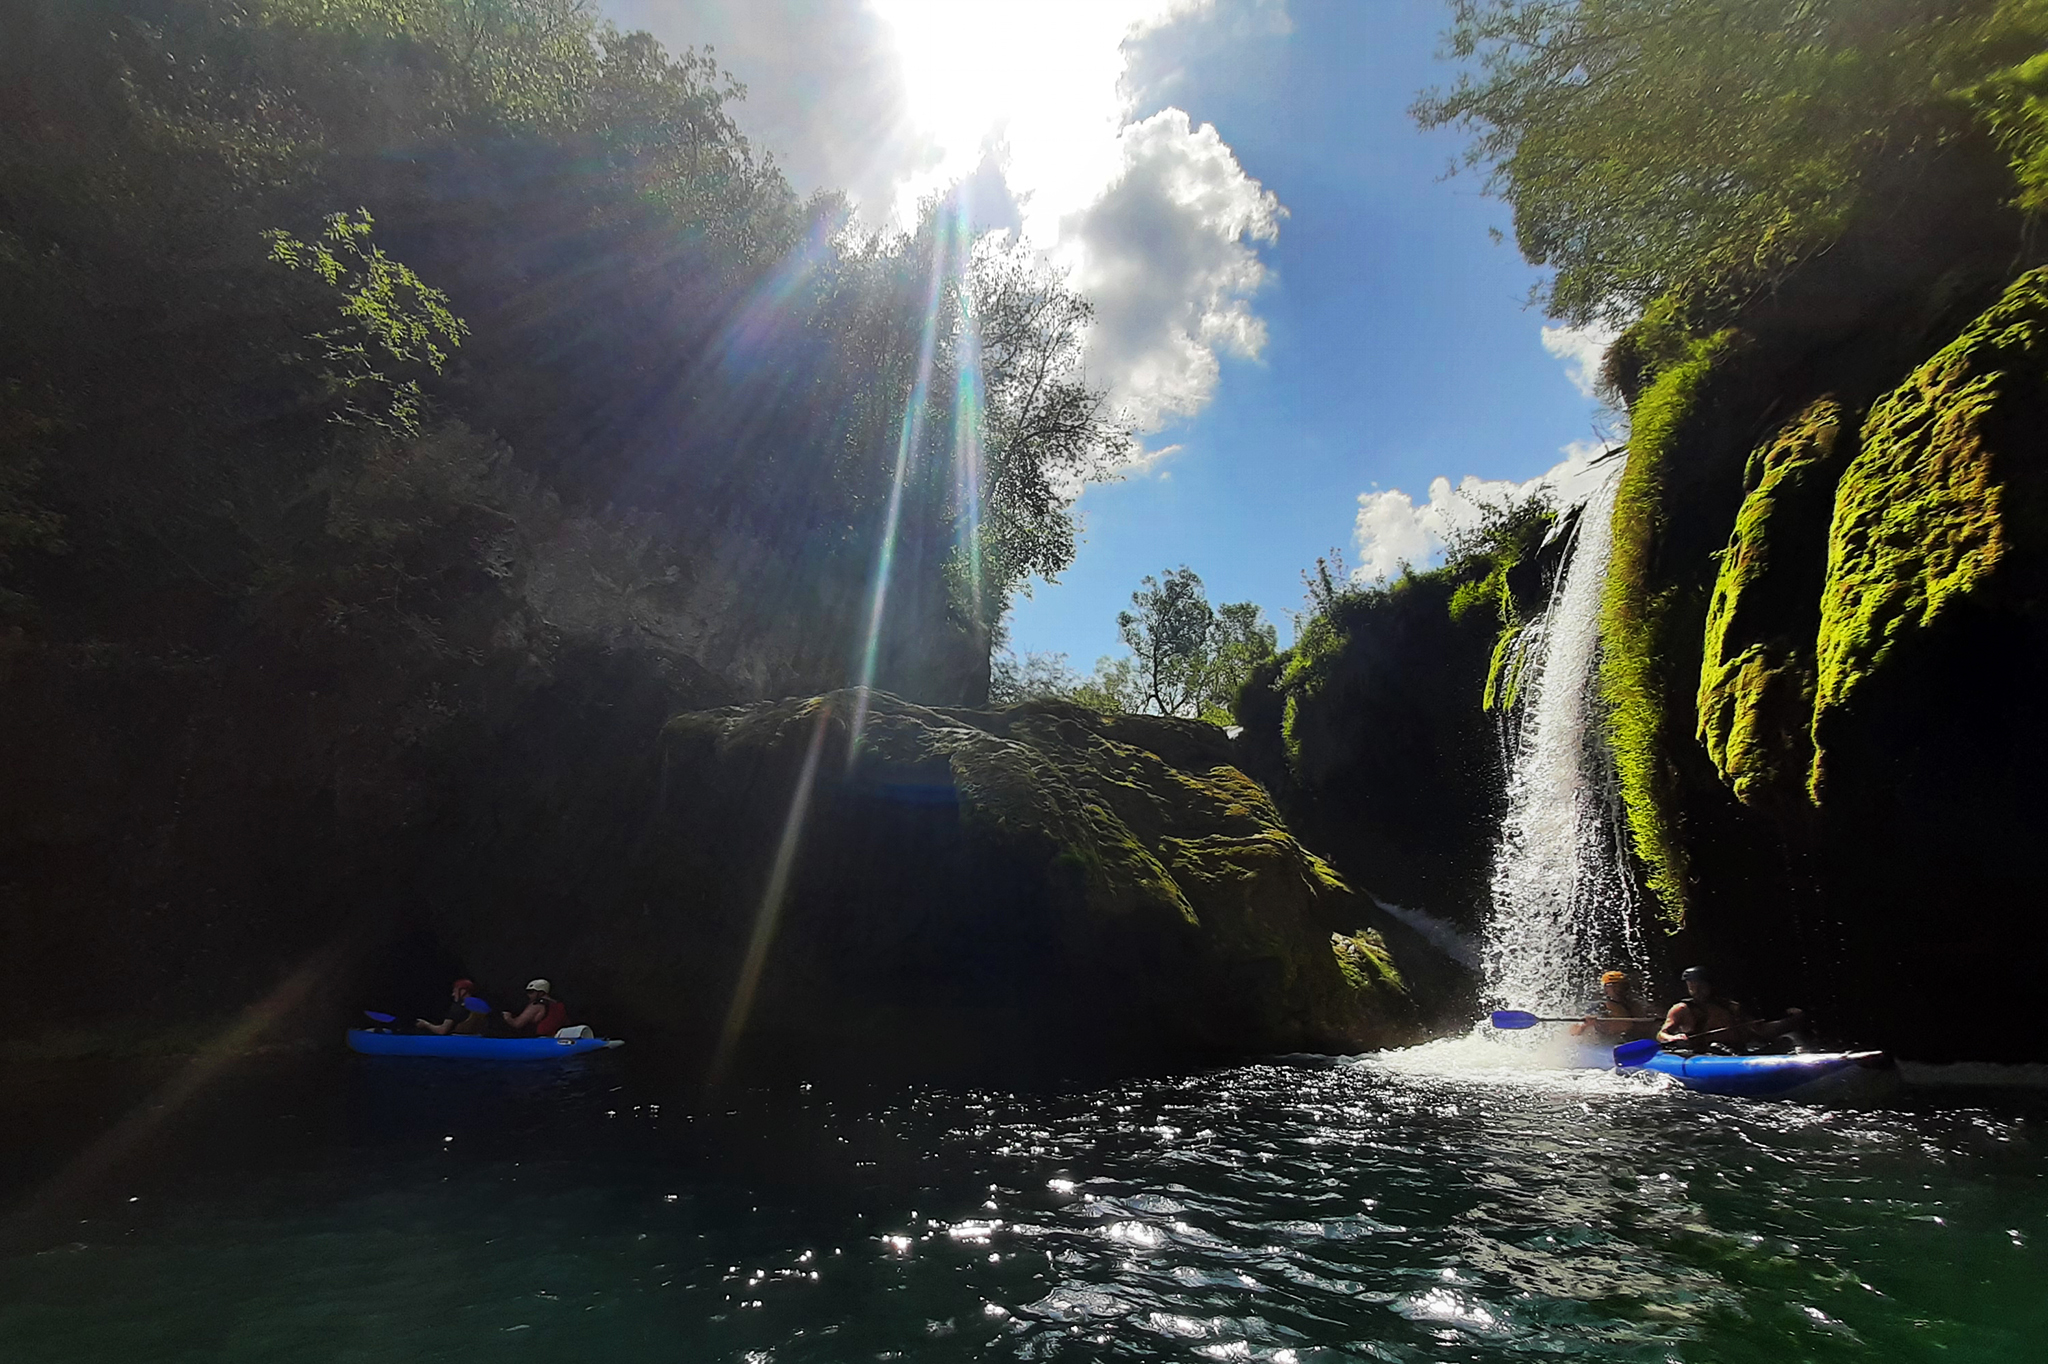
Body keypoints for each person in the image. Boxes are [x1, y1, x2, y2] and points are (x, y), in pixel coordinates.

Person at [1657, 966, 1805, 1053]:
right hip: (1708, 1054)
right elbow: (1662, 1034)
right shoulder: (1682, 1009)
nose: (1696, 990)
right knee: (1716, 1047)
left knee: (1785, 1042)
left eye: (1701, 985)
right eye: (1692, 986)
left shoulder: (1731, 1007)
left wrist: (1790, 1021)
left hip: (1739, 1052)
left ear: (1710, 986)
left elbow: (1759, 1030)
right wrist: (1673, 1038)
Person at [1570, 969, 1654, 1040]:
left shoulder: (1635, 1004)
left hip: (1629, 1041)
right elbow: (1573, 1032)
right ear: (1606, 988)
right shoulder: (1599, 1006)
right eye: (1613, 986)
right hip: (1605, 1044)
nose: (1618, 989)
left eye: (1621, 985)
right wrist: (1586, 1024)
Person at [417, 978, 490, 1035]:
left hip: (458, 1043)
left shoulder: (458, 1007)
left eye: (454, 991)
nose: (453, 994)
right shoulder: (482, 1005)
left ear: (463, 991)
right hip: (479, 1041)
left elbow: (442, 1030)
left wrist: (425, 1024)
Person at [501, 978, 568, 1038]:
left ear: (541, 993)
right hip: (556, 1039)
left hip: (539, 1041)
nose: (529, 995)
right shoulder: (558, 1004)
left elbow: (517, 1023)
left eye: (531, 992)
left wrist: (507, 1017)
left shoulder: (536, 1005)